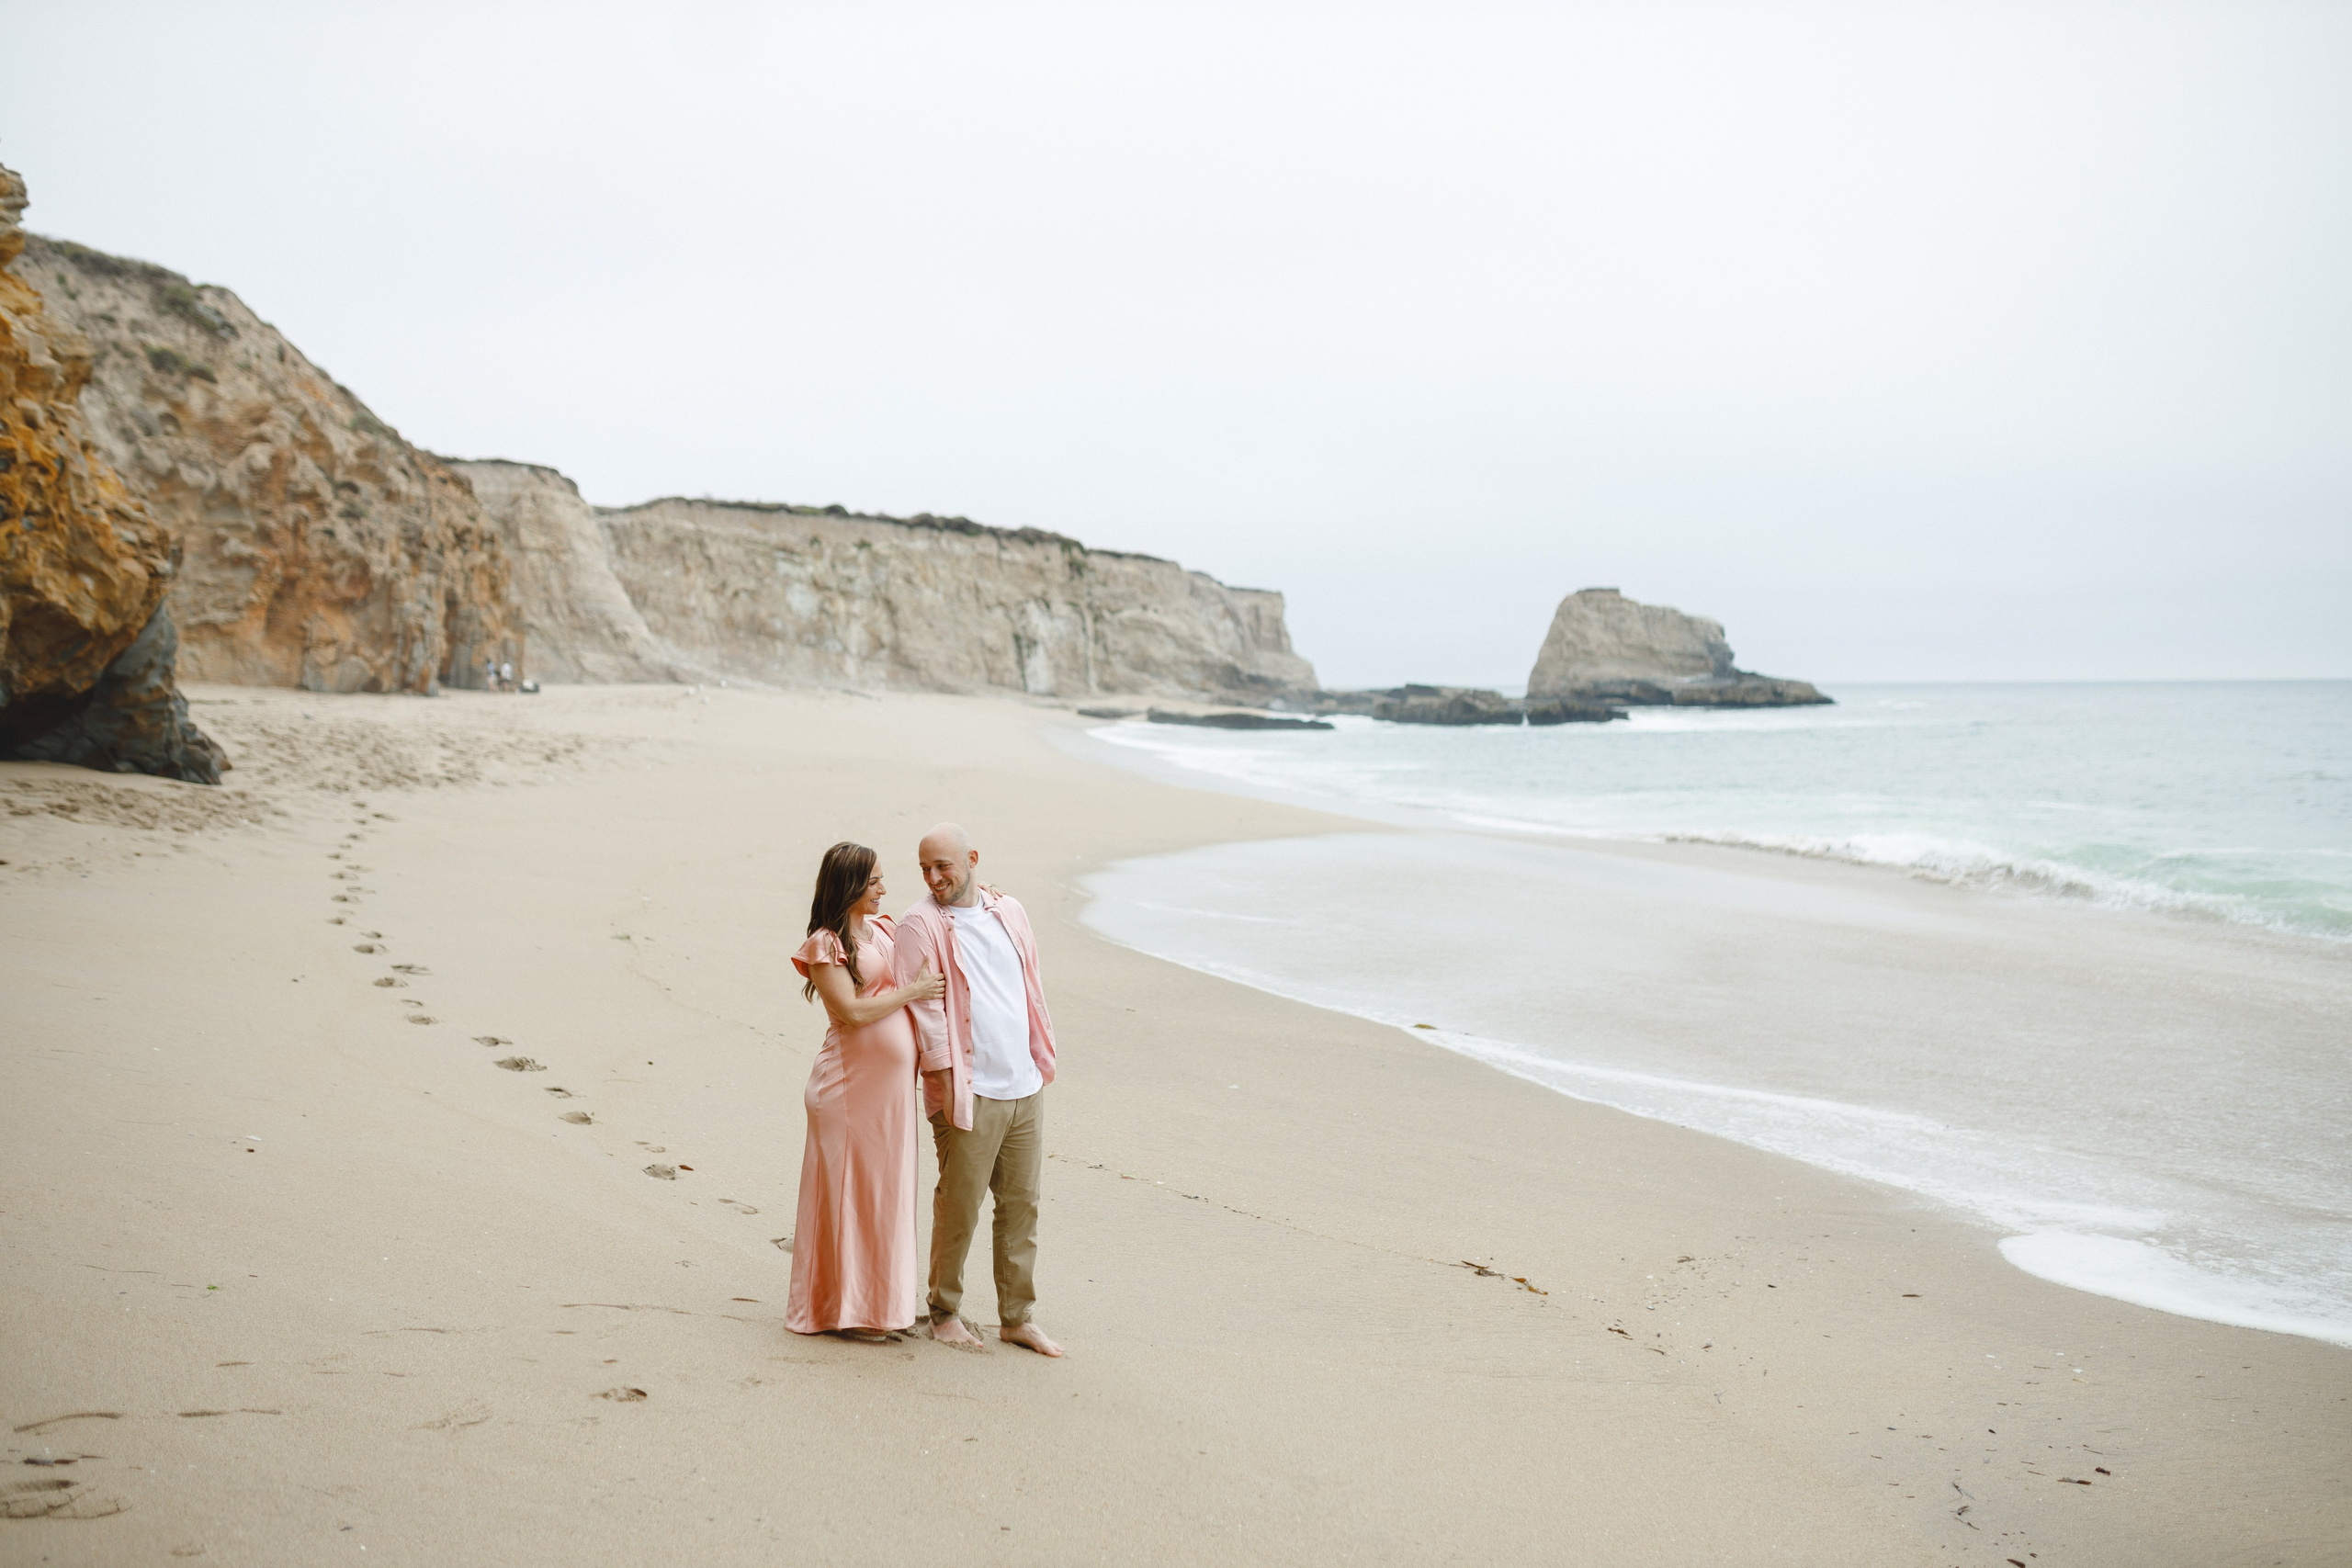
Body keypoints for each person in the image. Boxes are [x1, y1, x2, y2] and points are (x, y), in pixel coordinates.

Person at [896, 822, 1064, 1357]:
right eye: (925, 868)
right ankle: (944, 1312)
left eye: (943, 866)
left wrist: (1040, 1060)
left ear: (971, 858)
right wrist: (945, 1085)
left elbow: (1029, 983)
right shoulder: (920, 925)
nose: (934, 877)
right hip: (969, 1091)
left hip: (1023, 1085)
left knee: (1021, 1206)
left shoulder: (1008, 910)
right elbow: (923, 1011)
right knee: (959, 1206)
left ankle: (1017, 1317)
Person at [786, 840, 944, 1341]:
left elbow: (938, 922)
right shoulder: (826, 944)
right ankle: (847, 1311)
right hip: (849, 1091)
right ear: (850, 885)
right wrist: (913, 993)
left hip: (889, 1092)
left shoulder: (881, 928)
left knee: (886, 1193)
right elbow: (851, 1013)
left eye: (881, 879)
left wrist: (982, 895)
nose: (882, 888)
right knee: (853, 1197)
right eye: (873, 880)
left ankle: (880, 1306)